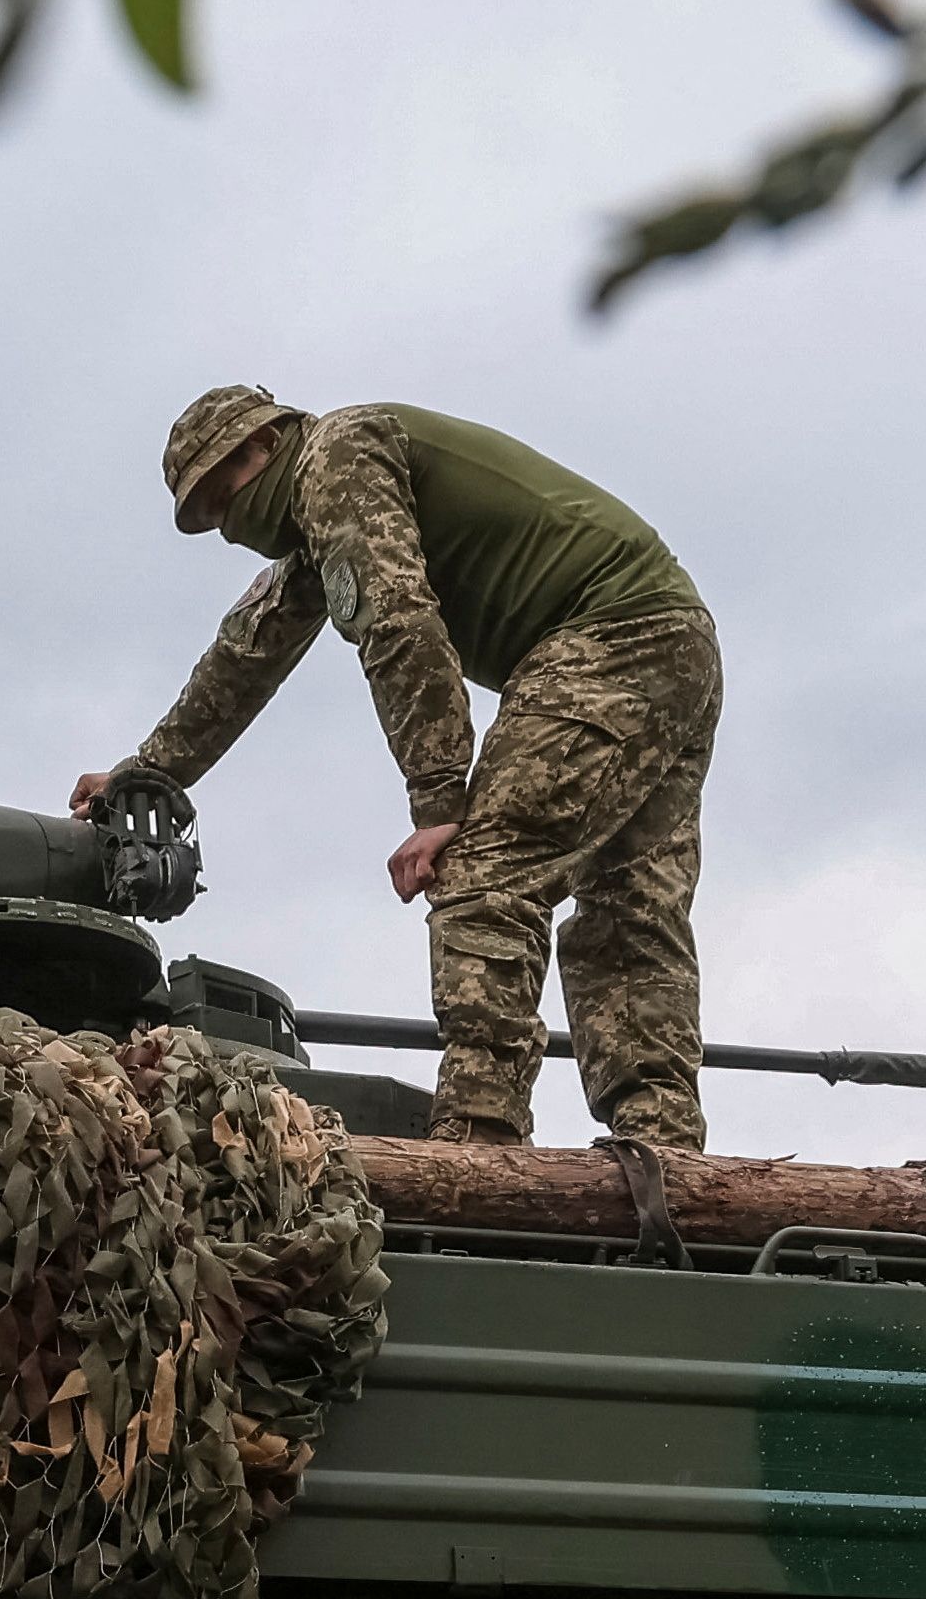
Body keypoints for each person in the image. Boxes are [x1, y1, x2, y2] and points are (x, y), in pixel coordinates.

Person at [75, 385, 718, 1149]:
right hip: (676, 640)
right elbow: (244, 656)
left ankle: (479, 1138)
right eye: (210, 514)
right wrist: (148, 772)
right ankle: (664, 1147)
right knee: (629, 907)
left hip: (607, 634)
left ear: (268, 442)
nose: (229, 524)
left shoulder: (337, 458)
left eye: (226, 491)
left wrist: (440, 801)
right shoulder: (319, 517)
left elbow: (398, 621)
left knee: (486, 871)